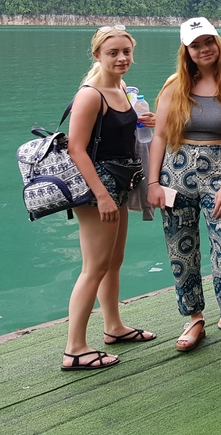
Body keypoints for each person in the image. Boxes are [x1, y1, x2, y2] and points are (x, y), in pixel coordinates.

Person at [148, 18, 221, 360]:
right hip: (176, 173)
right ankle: (194, 318)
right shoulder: (174, 86)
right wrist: (152, 182)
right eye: (195, 45)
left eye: (208, 41)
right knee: (181, 251)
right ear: (187, 51)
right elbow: (161, 136)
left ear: (217, 43)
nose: (203, 49)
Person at [62, 26, 155, 371]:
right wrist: (101, 196)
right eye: (113, 52)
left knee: (114, 261)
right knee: (94, 267)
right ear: (97, 55)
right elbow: (76, 148)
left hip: (121, 183)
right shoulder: (91, 94)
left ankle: (113, 327)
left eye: (126, 52)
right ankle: (74, 348)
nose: (121, 58)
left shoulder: (120, 89)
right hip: (97, 189)